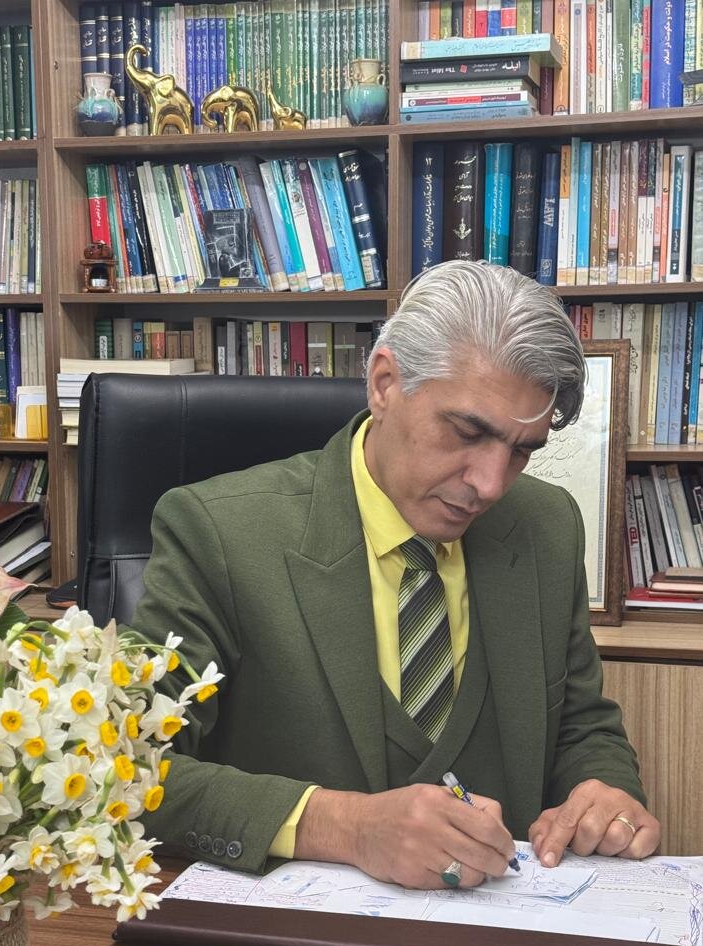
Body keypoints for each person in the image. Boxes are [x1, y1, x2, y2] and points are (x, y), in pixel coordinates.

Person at [132, 260, 661, 891]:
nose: (491, 484)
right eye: (467, 431)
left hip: (507, 927)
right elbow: (132, 769)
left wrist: (602, 791)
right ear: (384, 383)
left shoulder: (546, 526)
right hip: (294, 940)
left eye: (522, 450)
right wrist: (345, 826)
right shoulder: (217, 533)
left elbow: (580, 724)